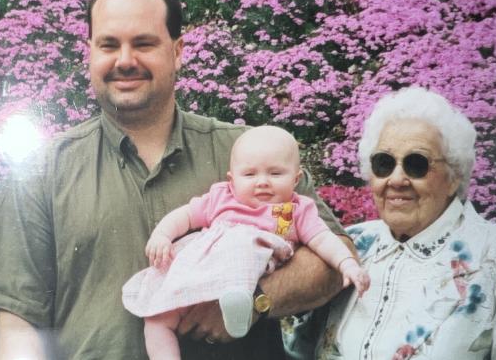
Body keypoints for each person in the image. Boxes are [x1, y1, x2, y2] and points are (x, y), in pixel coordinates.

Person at [0, 0, 354, 359]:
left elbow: (334, 262)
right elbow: (17, 321)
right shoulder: (42, 172)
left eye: (143, 43)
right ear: (89, 51)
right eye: (109, 45)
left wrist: (257, 299)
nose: (125, 60)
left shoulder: (248, 155)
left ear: (177, 52)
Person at [315, 87, 496, 359]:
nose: (396, 180)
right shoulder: (352, 245)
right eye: (384, 163)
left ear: (454, 175)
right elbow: (299, 349)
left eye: (416, 164)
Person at [122, 126, 369, 360]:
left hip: (249, 265)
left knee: (242, 243)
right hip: (200, 271)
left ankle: (239, 301)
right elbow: (185, 216)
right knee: (155, 316)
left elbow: (323, 239)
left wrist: (347, 264)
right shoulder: (221, 197)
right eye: (250, 174)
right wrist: (162, 236)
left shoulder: (292, 211)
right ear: (232, 180)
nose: (262, 181)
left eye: (275, 173)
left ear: (296, 179)